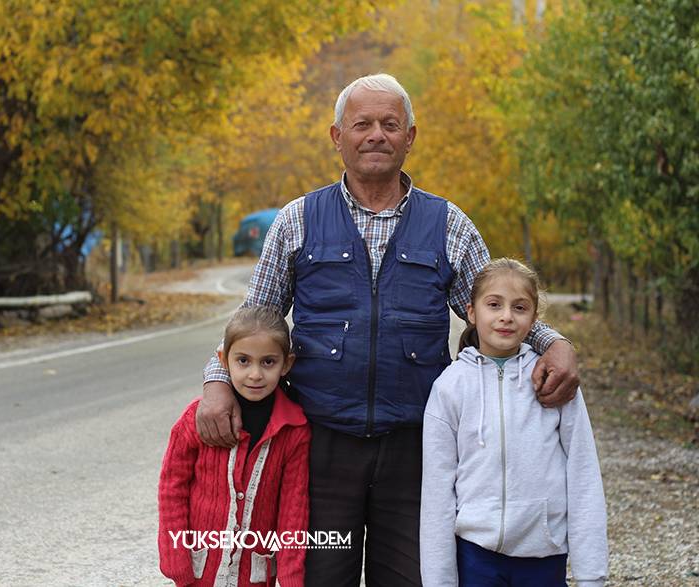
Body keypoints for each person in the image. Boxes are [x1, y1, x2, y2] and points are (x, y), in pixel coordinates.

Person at [199, 73, 581, 585]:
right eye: (362, 124)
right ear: (338, 137)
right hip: (320, 449)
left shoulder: (449, 224)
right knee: (318, 576)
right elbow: (255, 317)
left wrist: (554, 343)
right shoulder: (297, 221)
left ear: (410, 137)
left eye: (389, 124)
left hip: (418, 449)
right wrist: (217, 381)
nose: (376, 134)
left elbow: (497, 307)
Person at [420, 258, 608, 586]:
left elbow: (583, 474)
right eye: (494, 305)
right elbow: (437, 493)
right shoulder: (450, 388)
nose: (507, 316)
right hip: (475, 556)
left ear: (534, 319)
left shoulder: (552, 381)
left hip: (543, 555)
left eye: (520, 308)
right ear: (472, 312)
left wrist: (591, 575)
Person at [158, 306, 311, 586]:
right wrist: (174, 555)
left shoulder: (294, 430)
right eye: (243, 361)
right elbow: (172, 488)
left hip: (255, 574)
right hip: (199, 569)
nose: (255, 374)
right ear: (223, 360)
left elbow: (294, 512)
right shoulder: (197, 419)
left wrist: (291, 579)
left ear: (286, 364)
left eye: (268, 362)